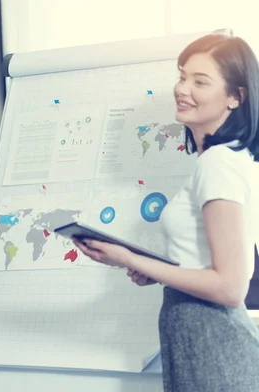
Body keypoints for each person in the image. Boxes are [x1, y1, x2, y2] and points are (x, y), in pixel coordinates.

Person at [74, 31, 259, 391]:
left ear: (236, 98)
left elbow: (231, 287)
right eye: (182, 75)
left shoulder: (218, 164)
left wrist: (130, 258)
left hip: (214, 342)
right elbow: (210, 264)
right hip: (199, 338)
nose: (183, 88)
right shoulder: (227, 159)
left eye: (200, 81)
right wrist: (158, 270)